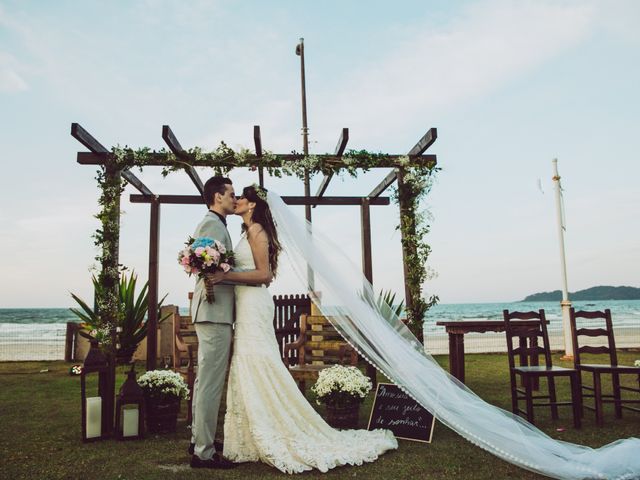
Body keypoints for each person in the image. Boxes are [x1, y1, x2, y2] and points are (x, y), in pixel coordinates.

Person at [209, 184, 397, 474]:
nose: (237, 200)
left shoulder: (257, 231)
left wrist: (225, 276)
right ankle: (247, 437)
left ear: (253, 205)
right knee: (250, 363)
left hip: (254, 305)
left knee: (257, 361)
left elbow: (264, 275)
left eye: (242, 197)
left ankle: (272, 430)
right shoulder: (246, 232)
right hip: (244, 306)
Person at [188, 176, 239, 470]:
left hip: (212, 311)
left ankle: (199, 440)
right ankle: (204, 452)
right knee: (210, 383)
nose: (234, 199)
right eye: (231, 194)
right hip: (214, 310)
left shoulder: (218, 224)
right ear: (217, 197)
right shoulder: (212, 223)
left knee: (203, 381)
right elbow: (202, 261)